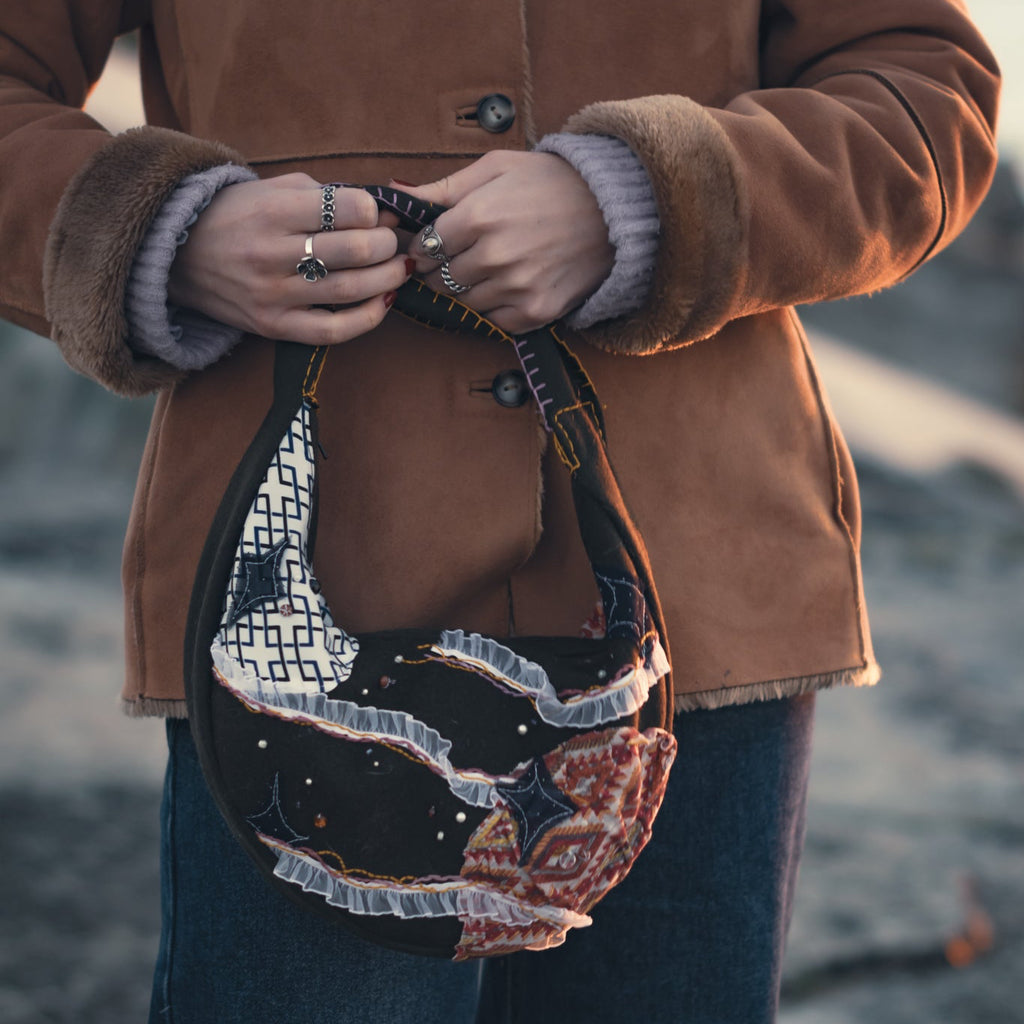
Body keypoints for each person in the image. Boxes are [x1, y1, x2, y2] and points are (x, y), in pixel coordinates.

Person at [0, 2, 999, 1021]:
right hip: (301, 631)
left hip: (698, 611)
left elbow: (926, 92)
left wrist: (641, 203)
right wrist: (169, 233)